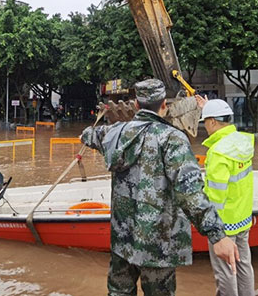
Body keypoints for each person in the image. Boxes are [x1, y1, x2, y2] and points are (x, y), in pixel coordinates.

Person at [80, 78, 239, 296]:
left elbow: (89, 135)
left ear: (136, 105)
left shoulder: (115, 133)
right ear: (164, 104)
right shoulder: (173, 138)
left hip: (123, 240)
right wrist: (217, 235)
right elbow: (190, 192)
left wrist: (94, 132)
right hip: (158, 245)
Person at [196, 96, 255, 296]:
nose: (205, 127)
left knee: (226, 269)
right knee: (243, 263)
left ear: (212, 122)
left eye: (205, 122)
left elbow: (215, 195)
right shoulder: (243, 142)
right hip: (243, 217)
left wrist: (211, 225)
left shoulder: (218, 153)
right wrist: (208, 106)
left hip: (223, 225)